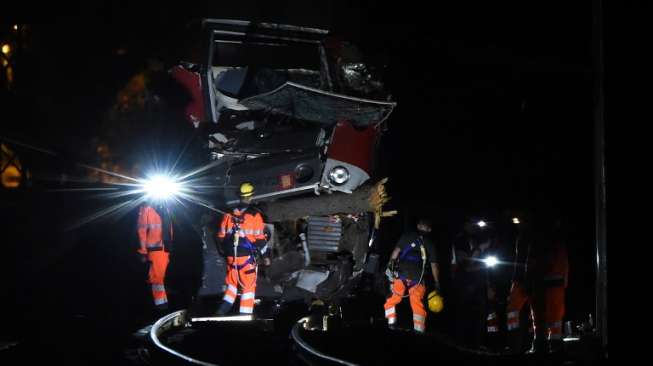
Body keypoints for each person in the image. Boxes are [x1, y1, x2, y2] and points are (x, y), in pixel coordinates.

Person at [506, 220, 569, 354]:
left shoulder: (531, 239)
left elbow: (527, 261)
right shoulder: (553, 241)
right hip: (546, 282)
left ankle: (533, 345)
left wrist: (525, 280)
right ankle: (547, 344)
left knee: (539, 314)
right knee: (548, 316)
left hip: (537, 281)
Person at [215, 182, 269, 315]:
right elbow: (261, 239)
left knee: (232, 286)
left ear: (240, 196)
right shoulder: (255, 215)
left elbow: (220, 237)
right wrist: (266, 256)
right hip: (246, 258)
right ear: (251, 197)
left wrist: (225, 253)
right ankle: (245, 316)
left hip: (231, 258)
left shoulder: (228, 215)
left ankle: (221, 312)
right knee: (248, 288)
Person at [383, 218, 441, 334]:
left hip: (400, 274)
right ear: (429, 229)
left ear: (418, 226)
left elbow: (395, 253)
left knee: (393, 298)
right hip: (418, 278)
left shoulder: (406, 236)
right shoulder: (430, 244)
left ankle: (391, 323)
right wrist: (437, 282)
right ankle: (418, 330)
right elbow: (434, 265)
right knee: (417, 303)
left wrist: (389, 268)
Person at [451, 218, 493, 349]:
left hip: (477, 283)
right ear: (465, 224)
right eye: (472, 224)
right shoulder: (461, 240)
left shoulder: (476, 238)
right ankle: (461, 342)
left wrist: (488, 284)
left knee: (480, 313)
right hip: (465, 282)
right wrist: (480, 251)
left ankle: (477, 342)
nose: (475, 227)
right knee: (464, 312)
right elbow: (466, 266)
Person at [137, 200, 174, 310]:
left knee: (161, 277)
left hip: (165, 248)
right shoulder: (146, 208)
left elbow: (169, 227)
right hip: (154, 249)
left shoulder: (166, 206)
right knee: (156, 278)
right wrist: (143, 251)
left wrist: (170, 246)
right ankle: (160, 306)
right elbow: (141, 230)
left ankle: (163, 304)